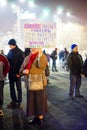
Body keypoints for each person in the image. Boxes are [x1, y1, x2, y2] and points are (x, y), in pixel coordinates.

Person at [20, 48, 48, 127]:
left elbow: (42, 66)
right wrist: (23, 71)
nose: (32, 49)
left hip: (40, 83)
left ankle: (40, 118)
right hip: (30, 83)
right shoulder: (27, 58)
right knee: (32, 102)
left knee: (40, 101)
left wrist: (40, 55)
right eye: (31, 47)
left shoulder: (42, 57)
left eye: (35, 47)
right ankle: (36, 117)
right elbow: (21, 68)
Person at [7, 39, 24, 109]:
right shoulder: (10, 51)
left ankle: (19, 102)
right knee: (11, 88)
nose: (9, 46)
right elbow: (8, 60)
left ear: (13, 44)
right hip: (10, 73)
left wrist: (20, 74)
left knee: (18, 88)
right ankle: (13, 100)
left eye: (10, 45)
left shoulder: (20, 52)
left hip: (17, 74)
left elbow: (22, 64)